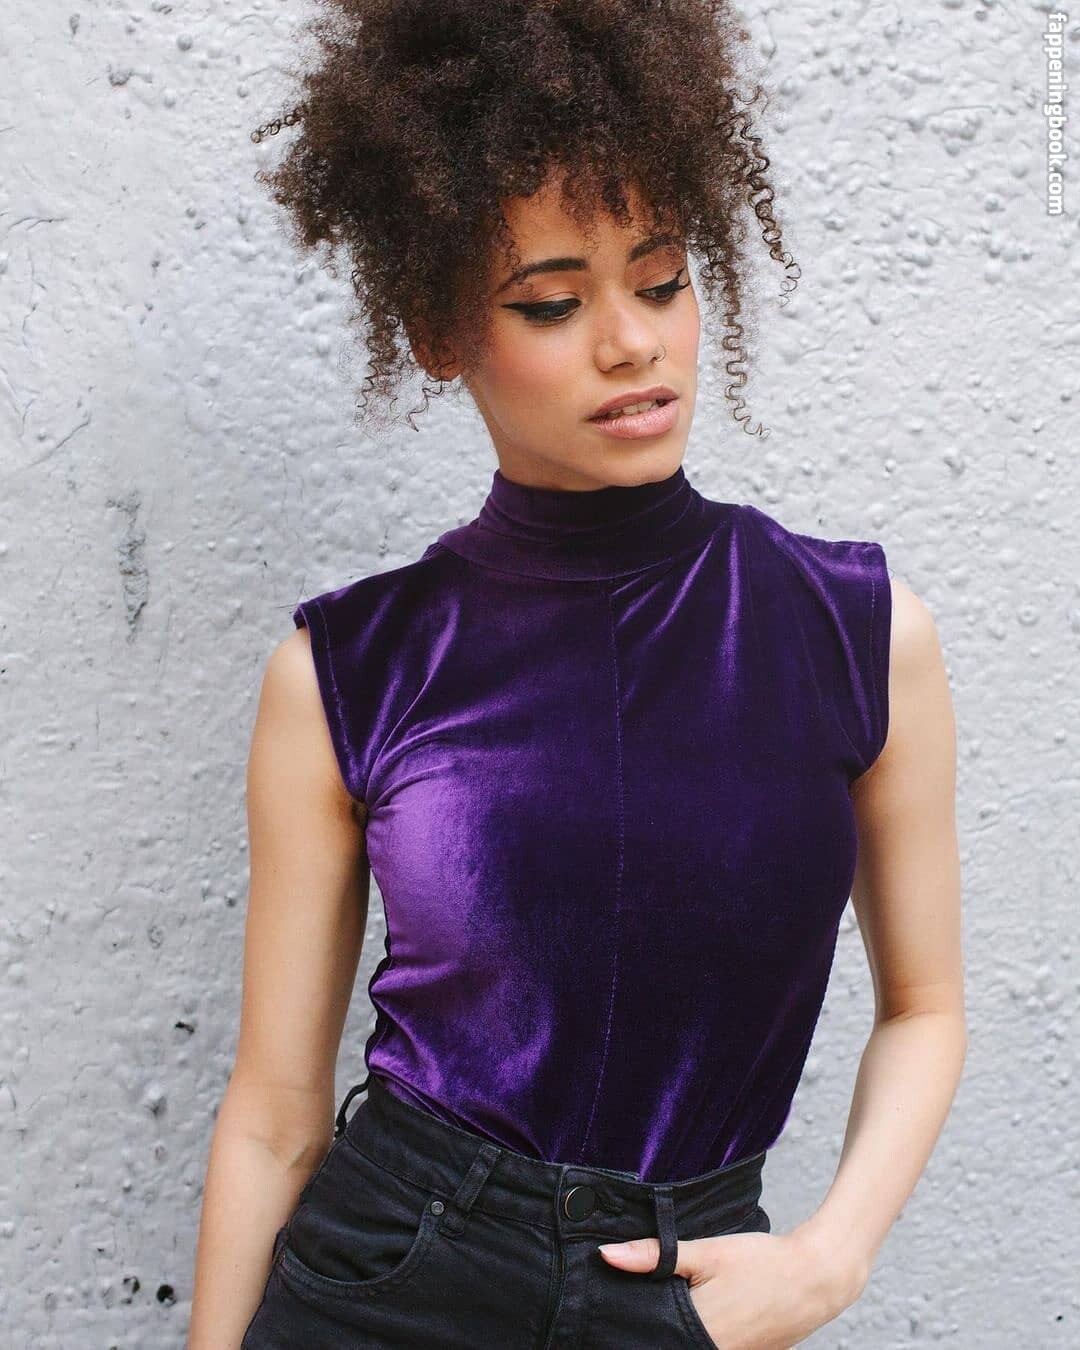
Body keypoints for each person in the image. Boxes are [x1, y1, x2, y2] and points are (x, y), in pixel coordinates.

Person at [188, 3, 967, 1347]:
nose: (630, 343)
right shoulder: (345, 673)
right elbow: (272, 1115)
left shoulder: (858, 632)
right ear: (438, 332)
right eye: (552, 302)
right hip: (390, 1280)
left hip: (690, 1290)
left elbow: (928, 1006)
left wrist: (828, 1260)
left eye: (661, 282)